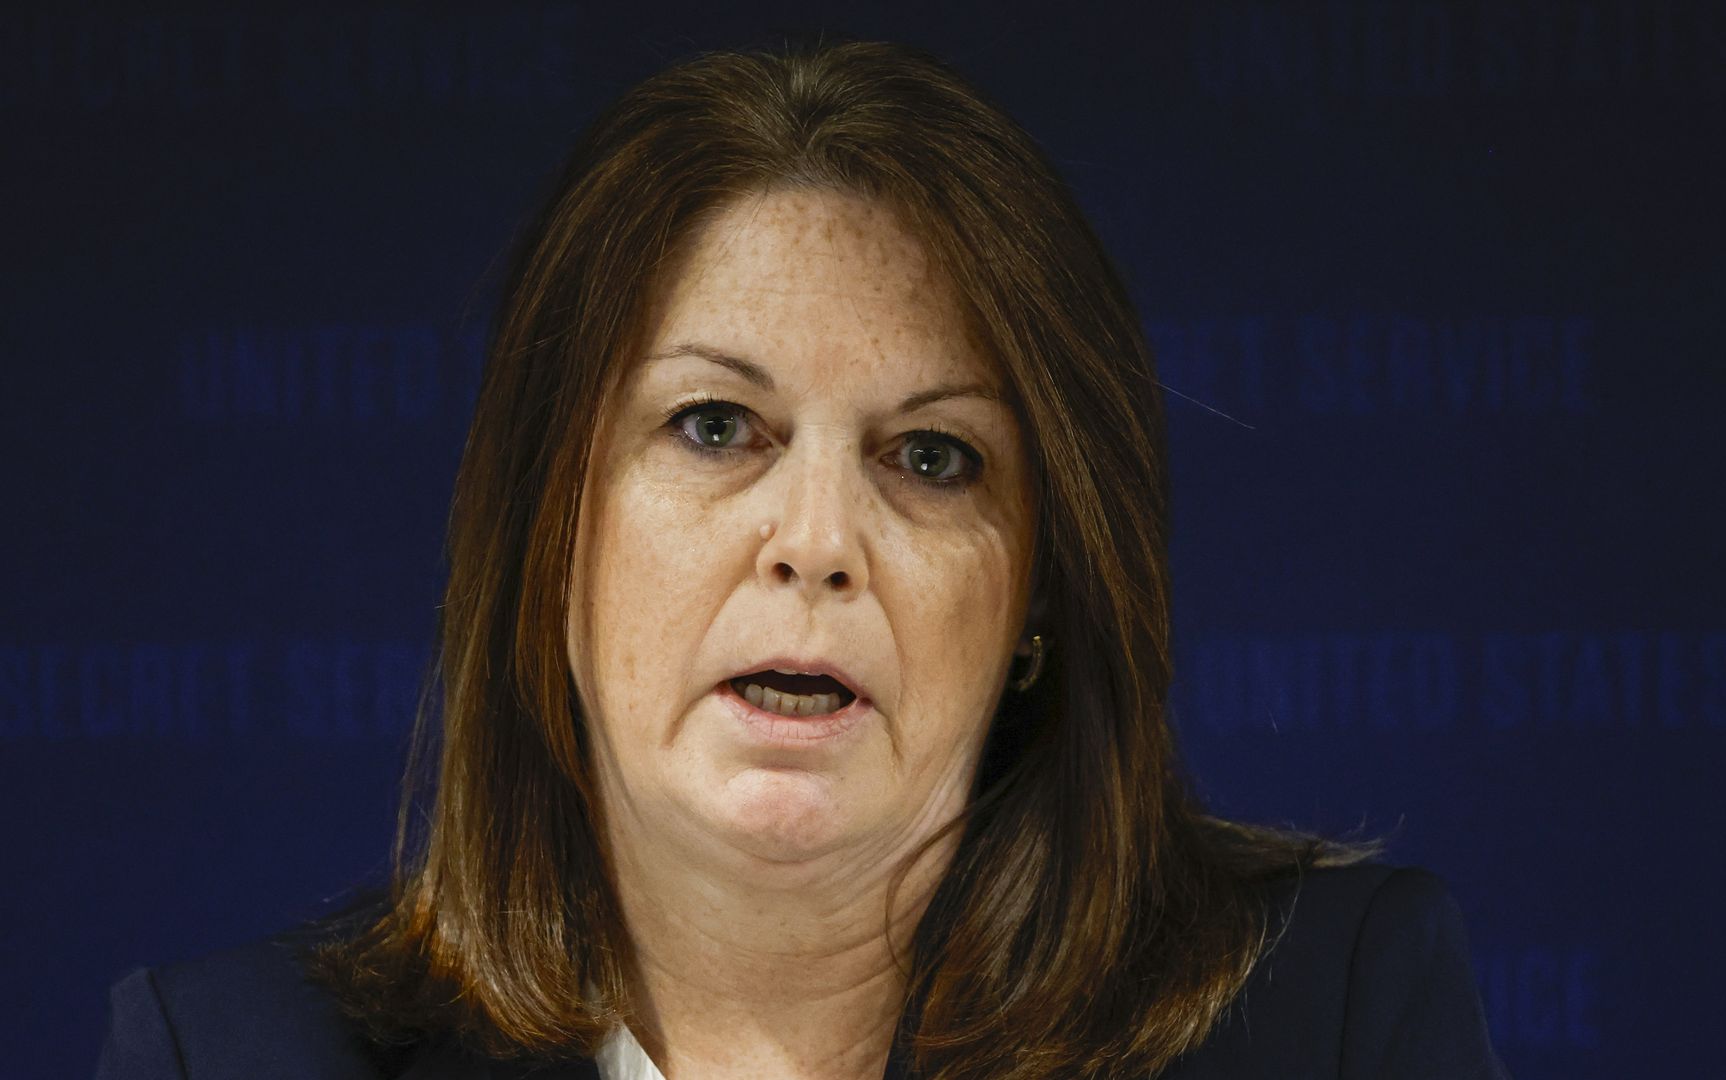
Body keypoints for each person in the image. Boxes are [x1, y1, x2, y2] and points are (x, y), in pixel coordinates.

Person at [95, 40, 1508, 1080]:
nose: (820, 544)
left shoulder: (1331, 1015)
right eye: (716, 426)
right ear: (546, 537)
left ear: (1039, 601)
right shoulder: (229, 1057)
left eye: (933, 458)